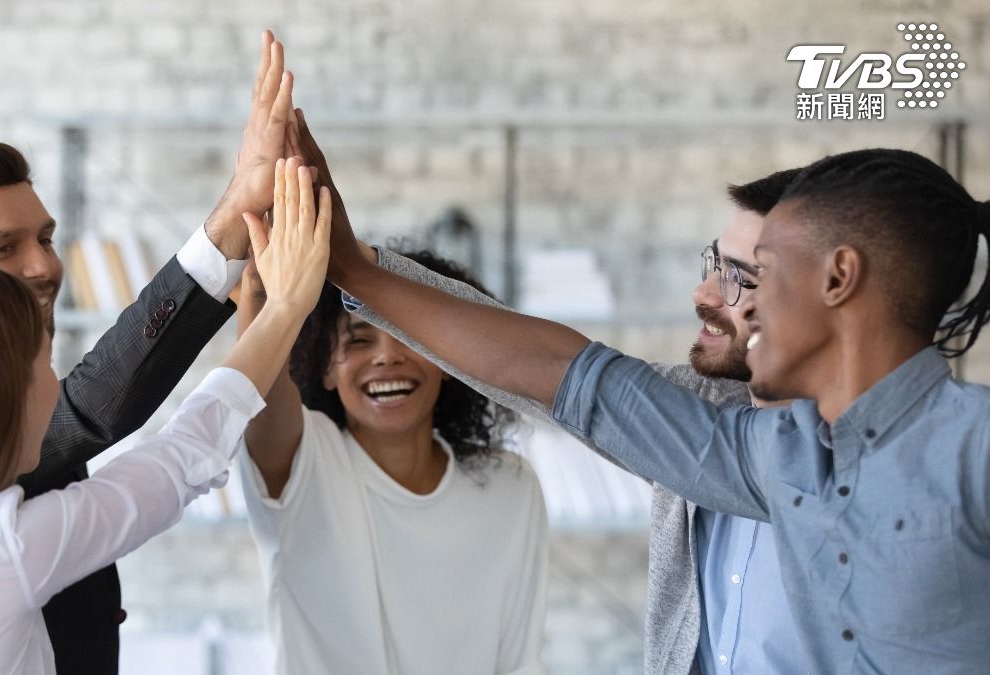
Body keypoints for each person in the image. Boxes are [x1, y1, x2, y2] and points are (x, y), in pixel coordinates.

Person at [323, 147, 990, 673]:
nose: (740, 303)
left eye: (759, 273)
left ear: (838, 279)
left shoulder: (973, 446)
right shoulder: (770, 453)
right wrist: (354, 268)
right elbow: (557, 370)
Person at [293, 109, 804, 673]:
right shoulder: (696, 410)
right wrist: (355, 264)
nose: (703, 292)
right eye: (713, 262)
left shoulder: (881, 468)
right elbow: (534, 361)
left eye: (739, 276)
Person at [0, 157, 332, 675]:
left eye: (46, 239)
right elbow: (183, 454)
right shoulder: (1, 551)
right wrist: (286, 307)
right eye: (40, 363)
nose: (58, 386)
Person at [0, 31, 296, 674]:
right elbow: (96, 416)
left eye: (45, 237)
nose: (43, 265)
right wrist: (245, 236)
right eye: (2, 249)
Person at [233, 244, 547, 675]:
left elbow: (521, 664)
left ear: (450, 359)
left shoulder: (510, 488)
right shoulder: (304, 463)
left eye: (411, 338)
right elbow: (263, 402)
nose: (387, 356)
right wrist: (262, 303)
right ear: (325, 367)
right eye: (360, 339)